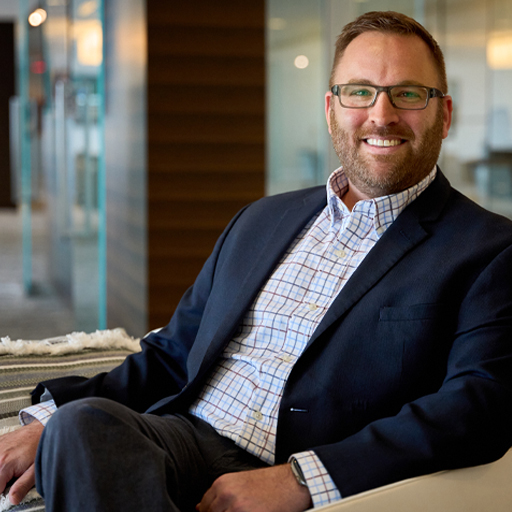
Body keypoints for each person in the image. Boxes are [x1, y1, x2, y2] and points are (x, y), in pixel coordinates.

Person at [3, 10, 512, 512]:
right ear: (332, 109)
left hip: (304, 465)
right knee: (82, 427)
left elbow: (478, 405)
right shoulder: (263, 219)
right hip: (180, 440)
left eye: (408, 93)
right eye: (359, 91)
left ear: (444, 114)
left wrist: (301, 480)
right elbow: (173, 352)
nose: (381, 114)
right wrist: (48, 420)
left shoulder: (488, 249)